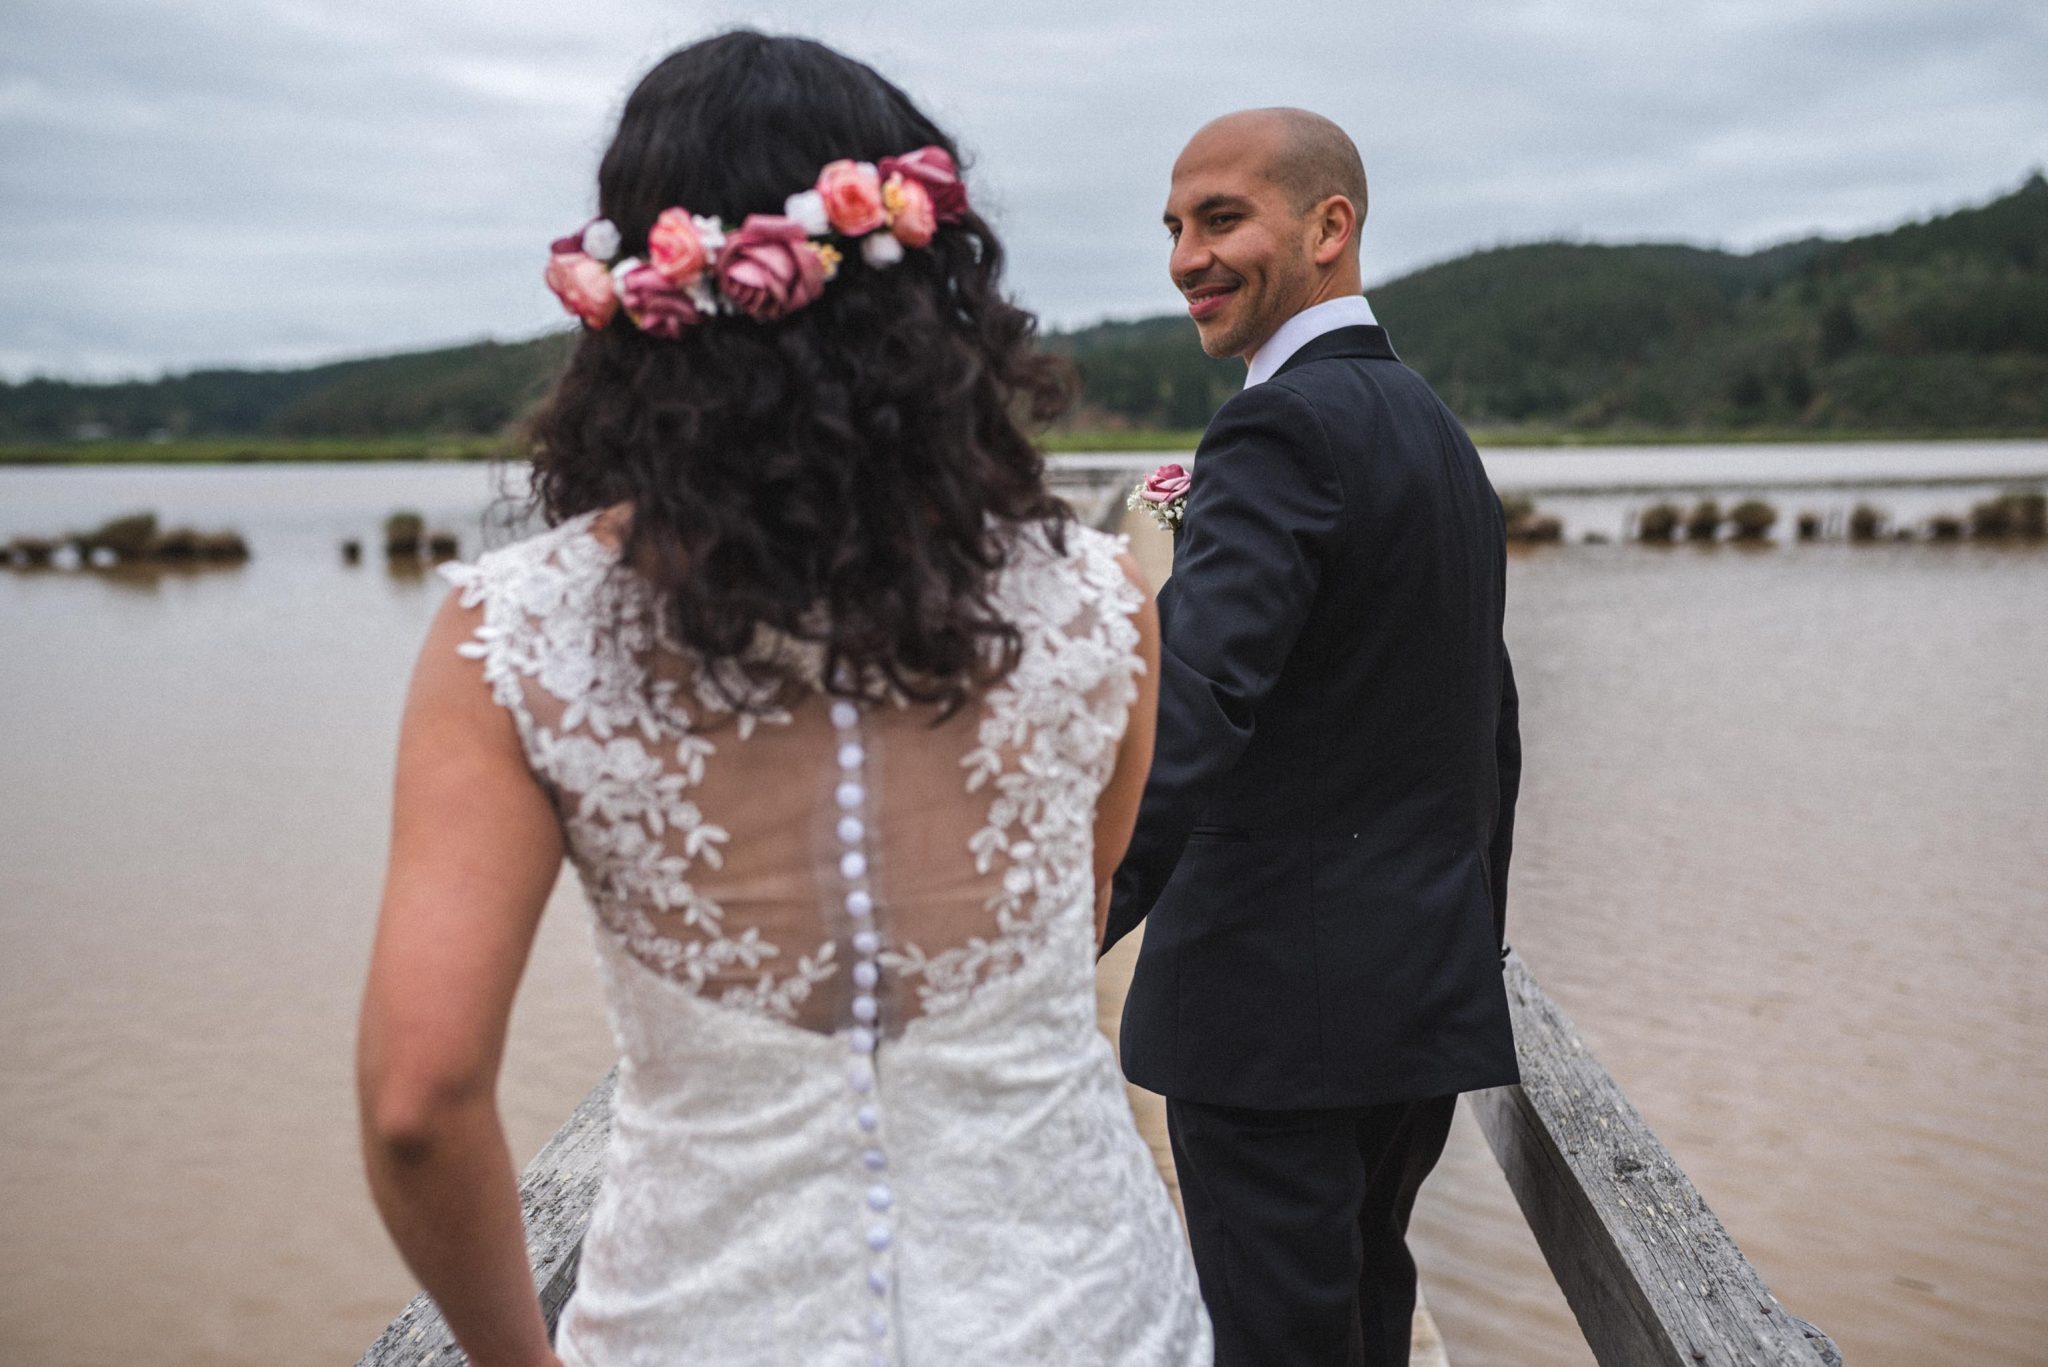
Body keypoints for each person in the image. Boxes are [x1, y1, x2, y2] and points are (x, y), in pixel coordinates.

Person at [356, 32, 1211, 1366]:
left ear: (634, 297)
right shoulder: (1104, 602)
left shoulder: (513, 635)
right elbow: (1074, 929)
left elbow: (419, 1100)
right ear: (935, 295)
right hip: (1087, 1314)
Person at [1102, 108, 1522, 1367]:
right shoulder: (1434, 434)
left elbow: (1192, 701)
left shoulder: (1279, 428)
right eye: (1174, 226)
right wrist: (1461, 936)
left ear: (1328, 226)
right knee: (1364, 1324)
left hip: (1275, 1024)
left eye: (1221, 217)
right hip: (1411, 1007)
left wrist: (1064, 914)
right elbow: (1487, 730)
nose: (1185, 255)